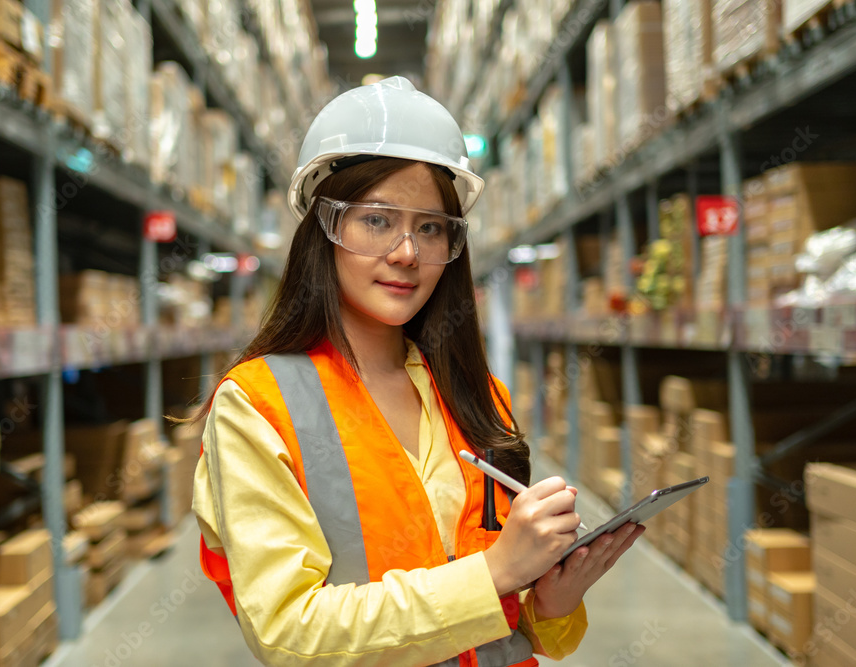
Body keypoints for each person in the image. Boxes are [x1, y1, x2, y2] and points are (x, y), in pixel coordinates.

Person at [191, 76, 644, 667]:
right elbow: (289, 632)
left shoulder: (479, 399)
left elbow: (502, 627)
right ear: (323, 230)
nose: (407, 252)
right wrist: (497, 571)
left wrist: (548, 601)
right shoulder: (258, 406)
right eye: (377, 220)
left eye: (430, 227)